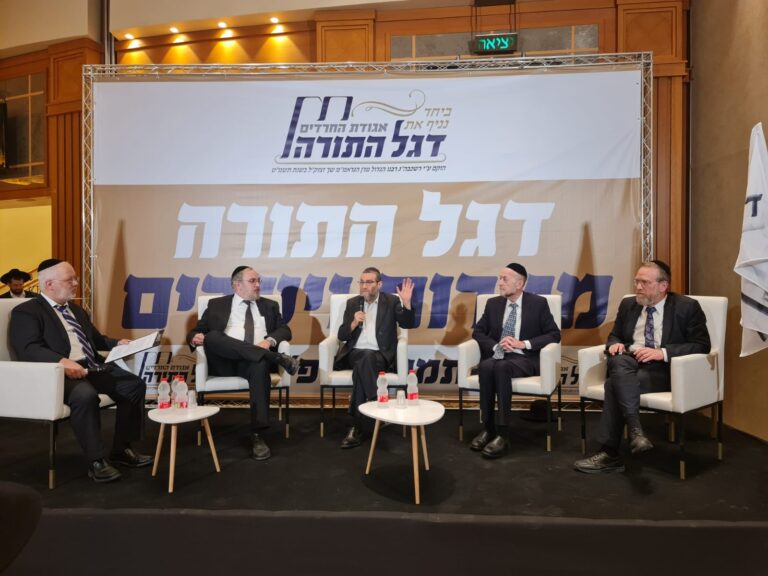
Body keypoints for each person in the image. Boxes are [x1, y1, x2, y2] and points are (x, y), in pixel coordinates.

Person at [10, 259, 153, 483]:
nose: (76, 283)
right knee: (85, 396)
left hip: (91, 365)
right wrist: (62, 361)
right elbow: (28, 348)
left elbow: (96, 339)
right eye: (70, 280)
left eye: (75, 279)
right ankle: (96, 460)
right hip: (57, 372)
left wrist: (118, 343)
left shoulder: (76, 310)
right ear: (49, 284)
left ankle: (122, 449)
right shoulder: (27, 311)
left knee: (133, 385)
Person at [574, 260, 711, 474]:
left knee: (613, 384)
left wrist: (662, 352)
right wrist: (614, 344)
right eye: (636, 281)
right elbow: (615, 335)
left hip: (663, 370)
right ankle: (636, 432)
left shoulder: (687, 307)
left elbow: (702, 345)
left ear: (663, 286)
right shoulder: (629, 304)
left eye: (645, 282)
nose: (638, 287)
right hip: (629, 361)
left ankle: (611, 452)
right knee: (619, 361)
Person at [186, 266, 298, 461]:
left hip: (252, 364)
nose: (258, 285)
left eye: (259, 281)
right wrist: (194, 337)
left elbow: (285, 330)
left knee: (259, 364)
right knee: (212, 336)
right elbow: (196, 331)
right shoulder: (216, 305)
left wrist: (269, 341)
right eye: (252, 281)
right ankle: (275, 358)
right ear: (237, 285)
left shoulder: (269, 306)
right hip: (225, 362)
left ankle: (258, 434)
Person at [469, 263, 561, 458]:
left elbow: (554, 334)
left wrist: (523, 343)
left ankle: (503, 434)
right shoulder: (493, 304)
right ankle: (488, 428)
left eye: (505, 279)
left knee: (501, 367)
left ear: (519, 284)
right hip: (499, 354)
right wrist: (496, 346)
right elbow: (478, 332)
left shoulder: (538, 304)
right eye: (499, 278)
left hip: (525, 357)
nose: (500, 283)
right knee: (485, 366)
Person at [334, 267, 415, 449]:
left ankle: (356, 425)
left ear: (379, 284)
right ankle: (377, 403)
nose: (364, 286)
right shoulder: (353, 303)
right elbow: (341, 335)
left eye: (369, 282)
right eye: (362, 282)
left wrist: (407, 304)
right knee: (364, 357)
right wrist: (353, 323)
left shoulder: (391, 301)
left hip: (380, 355)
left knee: (364, 365)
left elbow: (407, 323)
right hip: (354, 353)